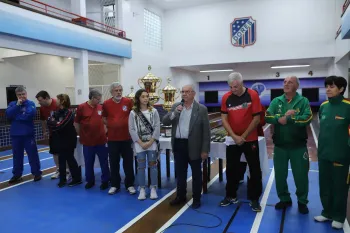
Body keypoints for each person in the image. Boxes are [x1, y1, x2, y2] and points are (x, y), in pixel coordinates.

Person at [265, 76, 311, 214]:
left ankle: (302, 201)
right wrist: (280, 119)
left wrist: (290, 118)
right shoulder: (276, 101)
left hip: (298, 147)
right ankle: (284, 199)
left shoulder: (303, 101)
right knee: (280, 175)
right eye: (284, 82)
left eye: (290, 82)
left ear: (297, 86)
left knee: (301, 176)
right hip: (280, 147)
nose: (286, 84)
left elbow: (308, 118)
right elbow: (267, 116)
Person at [220, 72, 263, 212]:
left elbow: (256, 119)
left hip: (250, 138)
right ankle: (230, 195)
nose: (233, 89)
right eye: (231, 87)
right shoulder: (226, 97)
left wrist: (242, 136)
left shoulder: (252, 95)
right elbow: (224, 119)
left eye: (236, 87)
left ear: (242, 83)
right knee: (231, 168)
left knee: (254, 168)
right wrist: (234, 136)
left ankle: (254, 198)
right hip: (232, 140)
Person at [163, 84, 211, 209]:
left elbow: (206, 132)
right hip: (179, 145)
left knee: (196, 175)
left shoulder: (201, 109)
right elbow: (165, 121)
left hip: (194, 146)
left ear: (193, 94)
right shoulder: (176, 107)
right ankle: (180, 196)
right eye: (182, 91)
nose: (184, 94)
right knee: (180, 174)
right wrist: (174, 113)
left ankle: (196, 199)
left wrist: (205, 150)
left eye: (187, 92)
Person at [314, 76, 350, 229]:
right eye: (327, 86)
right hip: (324, 154)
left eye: (332, 86)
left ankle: (339, 216)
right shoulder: (323, 106)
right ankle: (326, 212)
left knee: (340, 187)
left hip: (341, 155)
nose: (328, 89)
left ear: (341, 89)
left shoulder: (348, 106)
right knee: (325, 185)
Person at [103, 82, 136, 195]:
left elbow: (133, 116)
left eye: (120, 90)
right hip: (112, 139)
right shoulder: (106, 103)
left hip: (126, 138)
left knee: (128, 163)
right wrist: (112, 125)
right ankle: (115, 185)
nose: (118, 92)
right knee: (113, 163)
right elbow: (104, 118)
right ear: (111, 92)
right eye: (116, 90)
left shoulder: (128, 101)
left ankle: (130, 185)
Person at [74, 89, 110, 190]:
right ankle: (90, 181)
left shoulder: (101, 107)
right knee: (88, 162)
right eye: (97, 99)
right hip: (88, 141)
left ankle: (105, 180)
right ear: (92, 98)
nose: (99, 101)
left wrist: (105, 132)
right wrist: (81, 134)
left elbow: (105, 121)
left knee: (104, 162)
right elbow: (76, 123)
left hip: (101, 140)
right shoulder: (81, 107)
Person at [129, 89, 160, 200]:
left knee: (153, 166)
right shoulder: (133, 113)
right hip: (139, 144)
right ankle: (142, 188)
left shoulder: (154, 111)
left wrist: (151, 141)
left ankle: (153, 188)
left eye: (147, 96)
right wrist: (141, 142)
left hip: (151, 144)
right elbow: (132, 129)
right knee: (140, 167)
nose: (146, 98)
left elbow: (157, 127)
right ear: (138, 98)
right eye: (143, 96)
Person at [6, 86, 42, 184]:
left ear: (26, 94)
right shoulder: (12, 104)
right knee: (17, 156)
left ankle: (36, 173)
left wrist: (16, 117)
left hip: (28, 134)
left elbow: (30, 115)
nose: (22, 96)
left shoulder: (31, 103)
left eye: (23, 94)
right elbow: (8, 115)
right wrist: (18, 106)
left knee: (32, 154)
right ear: (16, 95)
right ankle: (17, 175)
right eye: (19, 95)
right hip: (16, 135)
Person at [47, 94, 82, 188]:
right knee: (61, 159)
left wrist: (56, 123)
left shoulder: (69, 113)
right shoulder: (56, 112)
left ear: (62, 101)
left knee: (70, 159)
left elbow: (61, 125)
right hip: (59, 139)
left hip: (69, 139)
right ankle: (62, 179)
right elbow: (49, 123)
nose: (56, 101)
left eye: (57, 99)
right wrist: (56, 123)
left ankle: (77, 178)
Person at [238, 89, 266, 183]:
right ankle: (240, 176)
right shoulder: (244, 105)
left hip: (257, 136)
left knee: (254, 161)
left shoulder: (261, 107)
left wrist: (253, 124)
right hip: (244, 136)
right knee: (242, 158)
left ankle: (254, 180)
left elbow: (262, 121)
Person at [36, 90, 63, 180]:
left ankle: (67, 170)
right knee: (55, 152)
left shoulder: (57, 104)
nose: (39, 102)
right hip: (52, 133)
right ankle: (59, 169)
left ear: (46, 98)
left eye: (40, 100)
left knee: (64, 152)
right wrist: (44, 131)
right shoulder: (42, 108)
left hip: (62, 132)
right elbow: (43, 120)